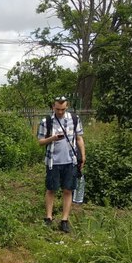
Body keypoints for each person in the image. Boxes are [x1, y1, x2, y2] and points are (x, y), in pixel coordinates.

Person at [37, 96, 86, 233]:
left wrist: (83, 156)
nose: (60, 112)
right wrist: (52, 138)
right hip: (53, 161)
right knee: (51, 189)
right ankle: (48, 217)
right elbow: (40, 142)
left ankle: (64, 220)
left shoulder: (74, 119)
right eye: (57, 109)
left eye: (63, 109)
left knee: (68, 190)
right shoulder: (46, 121)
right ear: (53, 107)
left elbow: (79, 138)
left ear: (67, 106)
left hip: (71, 161)